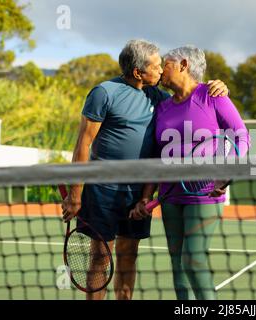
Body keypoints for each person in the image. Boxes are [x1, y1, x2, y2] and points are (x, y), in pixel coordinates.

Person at [61, 40, 229, 300]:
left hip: (137, 192)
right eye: (157, 65)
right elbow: (83, 143)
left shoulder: (160, 97)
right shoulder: (104, 92)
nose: (162, 70)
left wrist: (216, 86)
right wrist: (75, 194)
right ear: (138, 72)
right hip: (102, 189)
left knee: (129, 255)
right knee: (99, 258)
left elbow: (188, 94)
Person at [130, 46, 249, 300]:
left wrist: (226, 173)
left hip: (205, 193)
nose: (161, 69)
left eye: (166, 64)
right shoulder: (162, 106)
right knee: (178, 268)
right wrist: (145, 196)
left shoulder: (213, 95)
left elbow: (241, 135)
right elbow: (156, 156)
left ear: (183, 64)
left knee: (193, 260)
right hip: (170, 197)